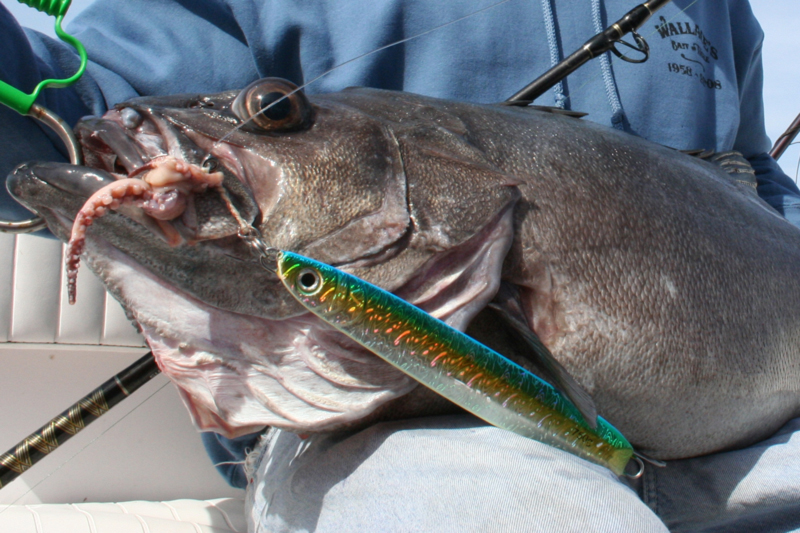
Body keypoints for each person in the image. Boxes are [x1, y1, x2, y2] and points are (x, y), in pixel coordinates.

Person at [2, 0, 799, 531]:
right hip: (374, 430)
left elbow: (755, 181)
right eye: (277, 115)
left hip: (747, 427)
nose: (272, 121)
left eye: (275, 118)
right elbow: (78, 110)